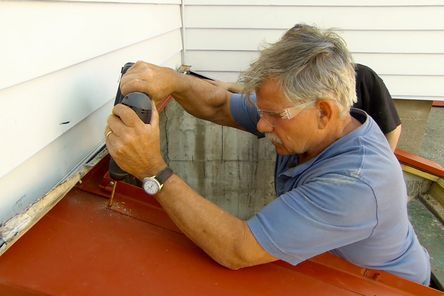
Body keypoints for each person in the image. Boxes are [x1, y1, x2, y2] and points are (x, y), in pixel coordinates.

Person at [105, 24, 430, 285]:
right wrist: (173, 80)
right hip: (333, 266)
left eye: (274, 115)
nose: (261, 124)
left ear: (324, 112)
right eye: (261, 110)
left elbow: (237, 248)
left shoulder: (356, 185)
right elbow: (219, 105)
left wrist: (152, 171)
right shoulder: (306, 116)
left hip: (386, 287)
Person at [208, 64, 402, 151]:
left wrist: (385, 160)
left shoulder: (365, 78)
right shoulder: (298, 96)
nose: (262, 125)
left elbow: (392, 127)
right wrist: (230, 87)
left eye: (276, 115)